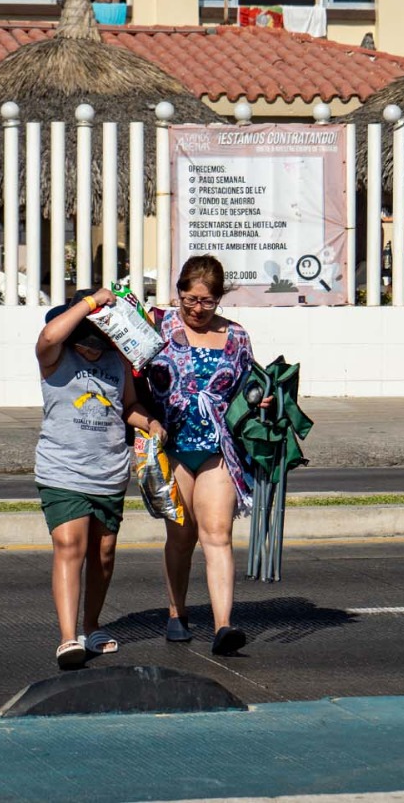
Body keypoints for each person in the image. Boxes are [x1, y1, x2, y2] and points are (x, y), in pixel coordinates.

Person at [35, 287, 165, 669]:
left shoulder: (117, 360)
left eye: (101, 341)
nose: (94, 349)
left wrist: (150, 423)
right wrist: (92, 303)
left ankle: (92, 626)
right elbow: (48, 336)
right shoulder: (54, 356)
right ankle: (67, 637)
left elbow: (128, 407)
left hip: (108, 470)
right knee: (68, 544)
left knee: (103, 554)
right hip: (62, 468)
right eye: (88, 341)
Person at [145, 256, 259, 656]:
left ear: (219, 299)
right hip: (172, 446)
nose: (196, 308)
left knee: (217, 535)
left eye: (207, 301)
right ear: (178, 291)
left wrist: (260, 404)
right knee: (180, 536)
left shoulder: (237, 337)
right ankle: (176, 611)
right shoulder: (157, 326)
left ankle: (224, 624)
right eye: (190, 299)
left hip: (217, 449)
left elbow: (249, 386)